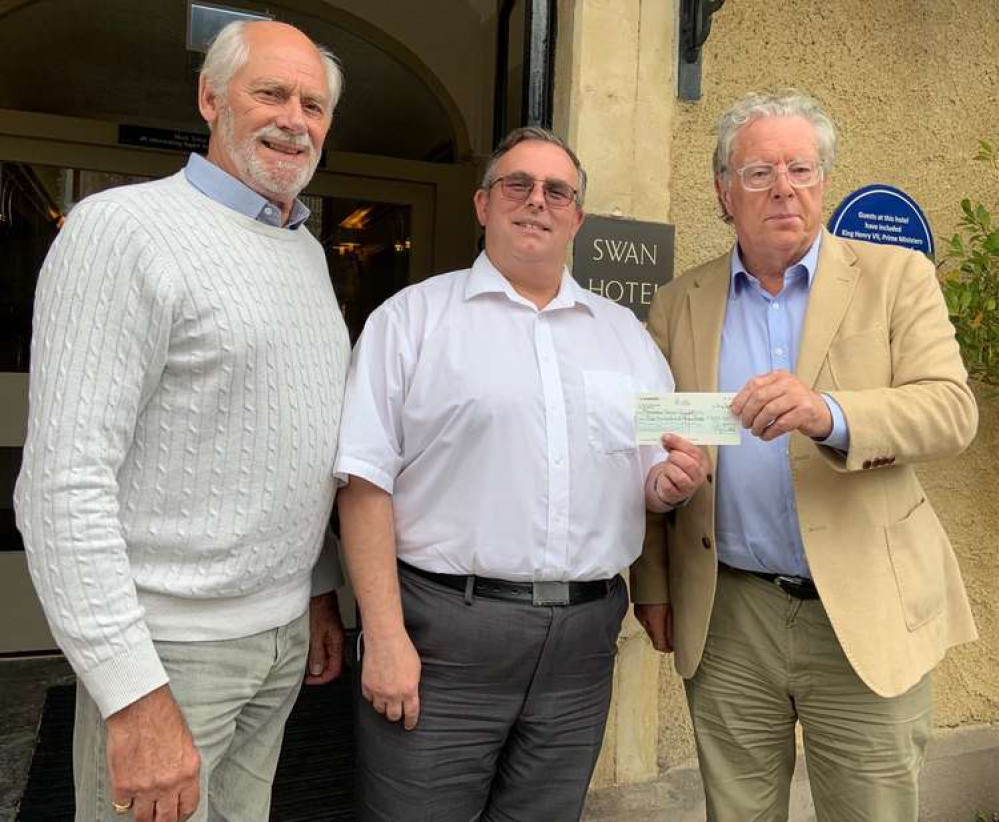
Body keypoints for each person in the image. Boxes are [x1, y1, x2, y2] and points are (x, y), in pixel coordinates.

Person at [15, 20, 350, 822]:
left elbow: (285, 439)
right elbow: (62, 484)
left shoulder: (303, 250)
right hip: (169, 653)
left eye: (314, 103)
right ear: (210, 98)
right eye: (270, 92)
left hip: (278, 639)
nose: (294, 119)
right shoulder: (121, 231)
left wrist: (317, 591)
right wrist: (131, 695)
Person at [334, 126, 709, 822]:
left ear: (576, 217)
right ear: (482, 205)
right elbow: (362, 484)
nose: (536, 201)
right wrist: (383, 639)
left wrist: (673, 480)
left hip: (583, 641)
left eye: (556, 191)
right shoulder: (411, 321)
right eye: (517, 184)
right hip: (442, 637)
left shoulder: (622, 333)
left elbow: (650, 478)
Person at [631, 90, 979, 822]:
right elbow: (653, 449)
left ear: (823, 181)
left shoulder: (893, 278)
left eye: (800, 168)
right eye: (757, 173)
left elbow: (950, 411)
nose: (782, 187)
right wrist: (653, 585)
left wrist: (830, 413)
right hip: (728, 611)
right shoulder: (678, 301)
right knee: (738, 812)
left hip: (862, 610)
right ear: (723, 192)